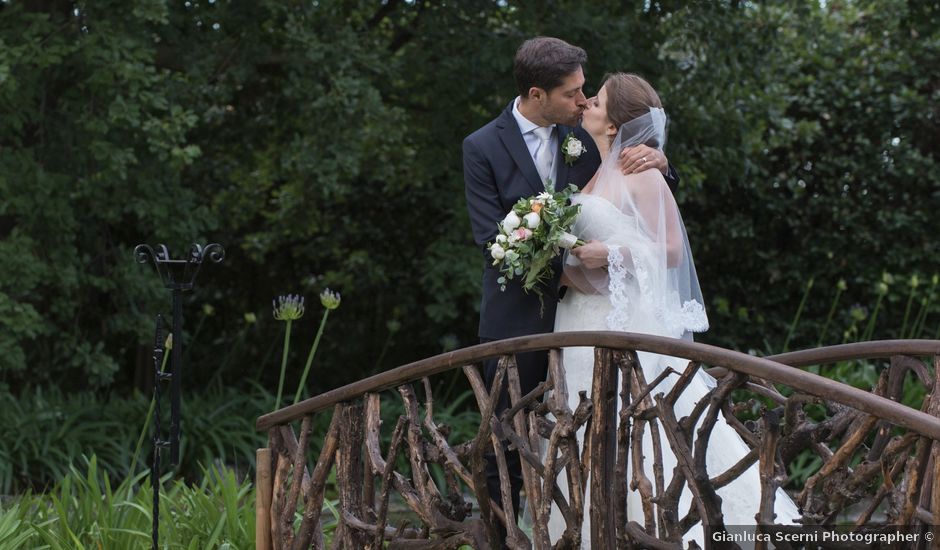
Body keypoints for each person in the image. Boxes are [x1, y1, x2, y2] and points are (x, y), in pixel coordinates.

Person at [548, 72, 801, 546]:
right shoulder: (591, 170)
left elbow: (669, 250)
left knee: (638, 430)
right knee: (582, 435)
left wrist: (612, 255)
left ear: (614, 122)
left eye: (596, 101)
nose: (586, 105)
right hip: (578, 320)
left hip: (622, 327)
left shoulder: (640, 171)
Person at [462, 37, 679, 540]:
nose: (583, 101)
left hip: (593, 318)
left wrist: (663, 163)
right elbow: (490, 238)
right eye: (573, 93)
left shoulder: (585, 138)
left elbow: (645, 205)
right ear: (537, 94)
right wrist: (566, 267)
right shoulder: (481, 147)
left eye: (588, 93)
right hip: (518, 319)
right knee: (507, 446)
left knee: (595, 439)